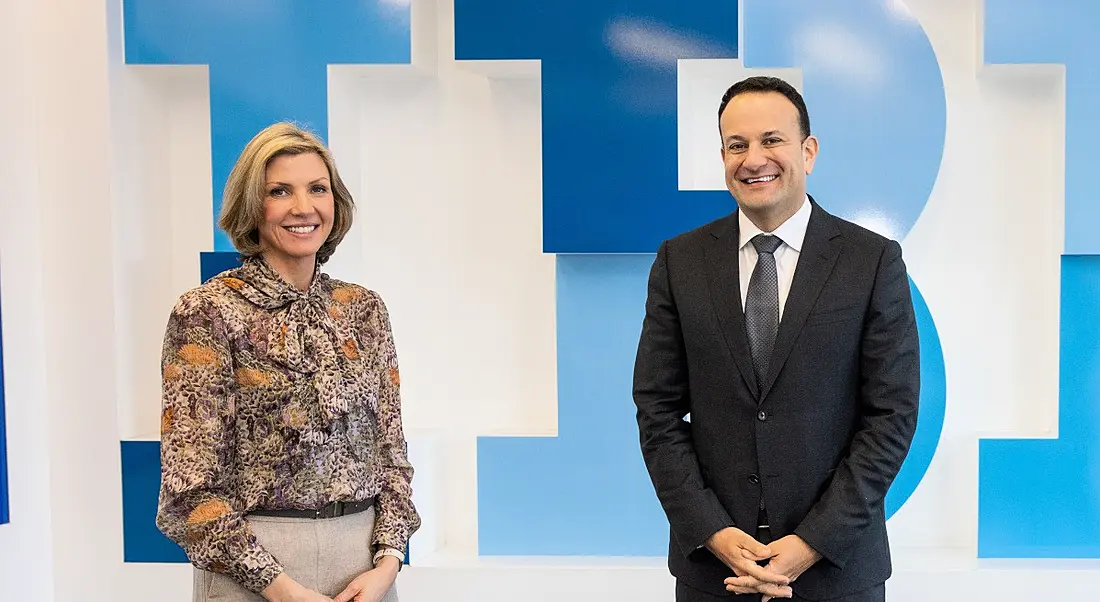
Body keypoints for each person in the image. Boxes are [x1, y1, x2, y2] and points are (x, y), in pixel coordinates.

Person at [632, 76, 920, 601]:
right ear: (722, 156)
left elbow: (892, 416)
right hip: (715, 571)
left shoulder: (872, 261)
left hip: (837, 570)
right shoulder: (680, 261)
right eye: (736, 145)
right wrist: (712, 531)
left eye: (772, 140)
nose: (754, 158)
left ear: (807, 152)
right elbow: (657, 410)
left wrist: (812, 541)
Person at [155, 122, 420, 602]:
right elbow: (188, 486)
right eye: (280, 191)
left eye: (318, 189)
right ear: (252, 207)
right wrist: (280, 589)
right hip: (254, 570)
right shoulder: (207, 312)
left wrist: (388, 560)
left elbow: (392, 455)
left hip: (365, 569)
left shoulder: (363, 309)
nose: (304, 207)